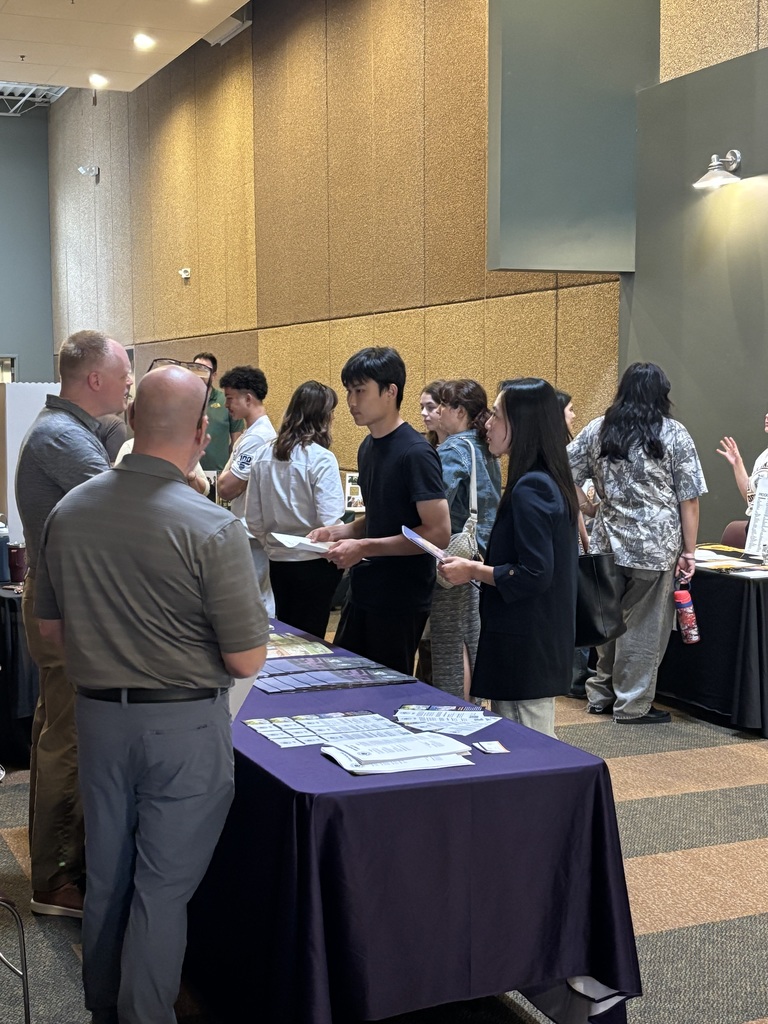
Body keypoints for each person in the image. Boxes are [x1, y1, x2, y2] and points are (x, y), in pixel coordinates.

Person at [34, 363, 270, 1024]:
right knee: (161, 890)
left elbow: (51, 629)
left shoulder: (68, 512)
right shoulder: (210, 527)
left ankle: (104, 1007)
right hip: (183, 729)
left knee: (108, 874)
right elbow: (247, 655)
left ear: (131, 423)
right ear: (202, 434)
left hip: (98, 719)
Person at [16, 329, 133, 919]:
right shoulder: (62, 437)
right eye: (123, 373)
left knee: (57, 733)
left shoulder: (65, 432)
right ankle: (56, 879)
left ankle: (56, 865)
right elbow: (131, 505)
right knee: (68, 740)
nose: (128, 383)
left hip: (59, 601)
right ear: (94, 379)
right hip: (64, 607)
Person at [568, 362, 707, 724]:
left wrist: (589, 506)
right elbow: (689, 499)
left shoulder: (598, 429)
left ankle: (600, 695)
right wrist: (689, 551)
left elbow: (563, 473)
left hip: (606, 541)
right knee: (644, 628)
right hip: (654, 548)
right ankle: (631, 705)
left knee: (608, 623)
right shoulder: (673, 433)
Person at [439, 378, 578, 737]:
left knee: (530, 747)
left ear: (522, 423)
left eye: (497, 415)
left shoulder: (533, 485)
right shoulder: (543, 478)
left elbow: (534, 573)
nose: (488, 423)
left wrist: (473, 568)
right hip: (527, 641)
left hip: (526, 645)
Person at [310, 347, 450, 674]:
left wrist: (366, 546)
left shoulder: (416, 452)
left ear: (390, 392)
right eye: (348, 391)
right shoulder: (368, 446)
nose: (351, 401)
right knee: (347, 683)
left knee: (387, 695)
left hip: (400, 598)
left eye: (360, 391)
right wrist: (341, 531)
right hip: (364, 590)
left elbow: (438, 533)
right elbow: (383, 516)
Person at [246, 381, 345, 638]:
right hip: (314, 564)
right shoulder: (321, 458)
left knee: (287, 634)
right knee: (313, 640)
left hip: (277, 561)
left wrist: (270, 546)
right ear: (322, 417)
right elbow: (331, 521)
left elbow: (253, 519)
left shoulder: (262, 454)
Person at [429, 379, 501, 699]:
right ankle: (472, 705)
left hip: (454, 552)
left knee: (449, 639)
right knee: (470, 635)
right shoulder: (486, 448)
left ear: (459, 411)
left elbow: (435, 500)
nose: (437, 411)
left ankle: (456, 710)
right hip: (480, 554)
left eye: (442, 405)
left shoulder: (455, 448)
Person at [217, 365, 277, 615]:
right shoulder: (251, 434)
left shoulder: (257, 438)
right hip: (251, 530)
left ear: (248, 398)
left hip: (252, 533)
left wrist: (223, 479)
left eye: (230, 398)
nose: (227, 405)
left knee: (254, 596)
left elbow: (227, 488)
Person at [192, 352, 243, 472]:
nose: (199, 374)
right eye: (195, 369)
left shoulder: (227, 401)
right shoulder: (182, 401)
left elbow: (237, 442)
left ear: (214, 375)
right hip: (188, 474)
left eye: (204, 370)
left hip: (217, 475)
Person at [716, 414, 768, 530]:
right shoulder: (763, 457)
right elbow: (751, 498)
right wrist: (737, 464)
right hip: (758, 530)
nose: (766, 416)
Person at [420, 381, 448, 447]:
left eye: (430, 407)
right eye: (422, 407)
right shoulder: (424, 443)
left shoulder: (459, 447)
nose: (423, 413)